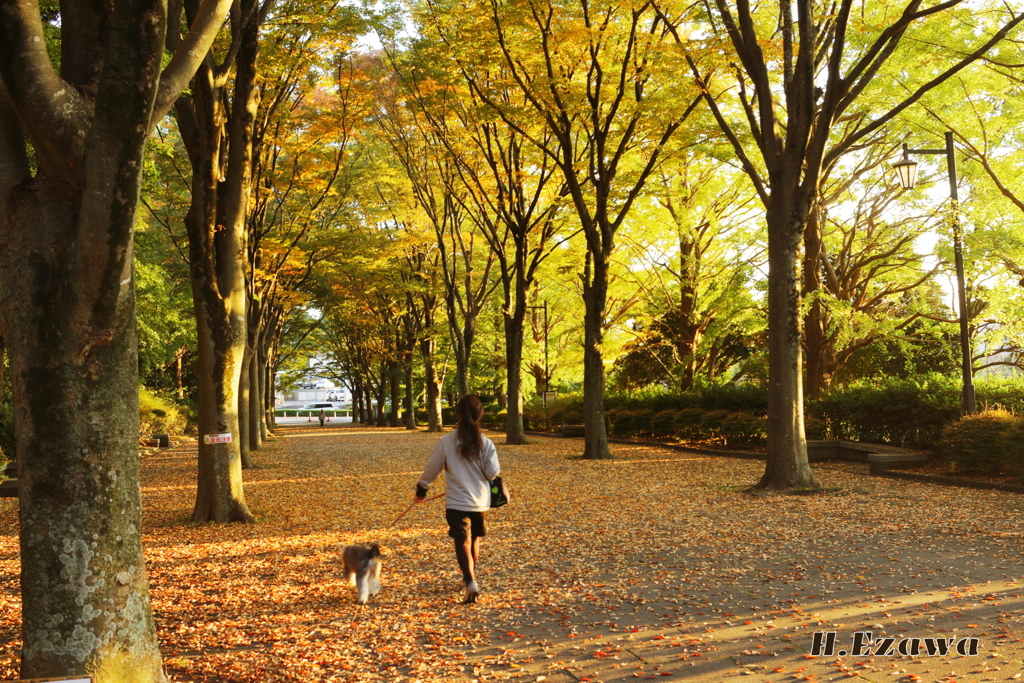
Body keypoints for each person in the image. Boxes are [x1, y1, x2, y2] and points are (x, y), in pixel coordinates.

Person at [414, 394, 499, 604]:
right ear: (479, 415)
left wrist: (421, 490)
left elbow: (431, 469)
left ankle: (469, 581)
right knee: (475, 539)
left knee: (462, 540)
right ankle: (470, 579)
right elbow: (492, 472)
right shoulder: (486, 443)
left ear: (458, 414)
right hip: (480, 501)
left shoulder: (446, 441)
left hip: (456, 501)